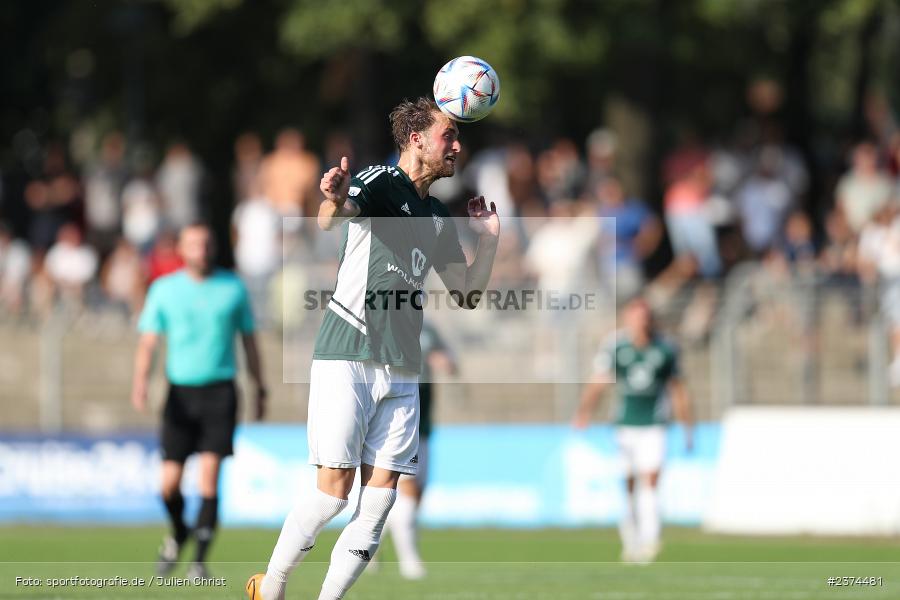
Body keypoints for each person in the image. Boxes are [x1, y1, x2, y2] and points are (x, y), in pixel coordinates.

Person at [246, 97, 499, 600]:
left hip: (405, 369)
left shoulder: (434, 215)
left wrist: (487, 239)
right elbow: (332, 217)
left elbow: (467, 294)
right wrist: (334, 197)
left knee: (380, 503)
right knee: (332, 495)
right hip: (349, 354)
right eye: (448, 135)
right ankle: (270, 588)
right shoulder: (381, 181)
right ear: (416, 140)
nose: (457, 145)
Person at [130, 223, 267, 579]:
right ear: (181, 248)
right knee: (169, 484)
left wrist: (259, 387)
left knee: (209, 478)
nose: (201, 250)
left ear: (214, 247)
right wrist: (141, 381)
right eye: (193, 244)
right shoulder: (164, 289)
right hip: (180, 394)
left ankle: (199, 562)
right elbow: (149, 341)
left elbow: (249, 342)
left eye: (206, 244)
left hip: (220, 392)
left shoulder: (232, 288)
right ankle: (178, 531)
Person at [573, 297, 692, 564]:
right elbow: (599, 382)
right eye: (636, 317)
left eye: (645, 317)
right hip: (624, 425)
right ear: (628, 320)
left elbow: (678, 389)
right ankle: (631, 539)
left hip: (654, 424)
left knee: (650, 480)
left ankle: (651, 539)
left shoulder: (666, 348)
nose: (641, 323)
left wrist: (687, 427)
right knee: (628, 484)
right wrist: (584, 412)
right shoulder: (615, 346)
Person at [384, 320, 457, 580]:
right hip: (400, 421)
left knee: (416, 493)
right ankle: (409, 561)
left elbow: (449, 360)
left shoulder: (427, 328)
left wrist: (445, 362)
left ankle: (366, 544)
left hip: (424, 422)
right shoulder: (387, 323)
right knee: (409, 490)